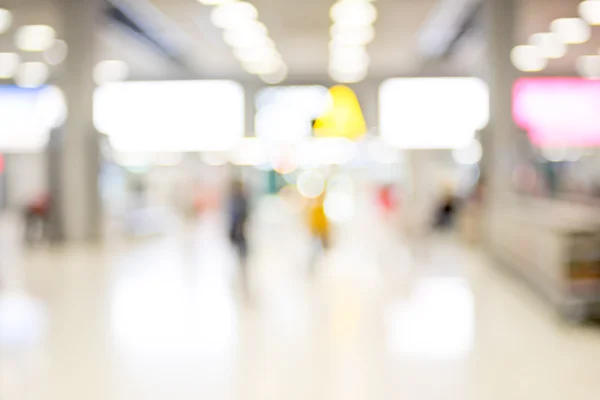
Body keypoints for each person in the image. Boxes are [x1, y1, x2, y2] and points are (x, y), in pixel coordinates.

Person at [228, 181, 249, 295]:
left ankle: (242, 265)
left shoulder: (240, 199)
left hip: (239, 230)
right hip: (236, 230)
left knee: (241, 250)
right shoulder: (235, 199)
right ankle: (239, 266)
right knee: (238, 250)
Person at [307, 193, 330, 274]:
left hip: (319, 234)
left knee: (318, 252)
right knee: (315, 252)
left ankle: (317, 269)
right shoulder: (316, 210)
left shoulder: (320, 209)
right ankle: (312, 269)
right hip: (317, 235)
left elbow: (324, 224)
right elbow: (315, 223)